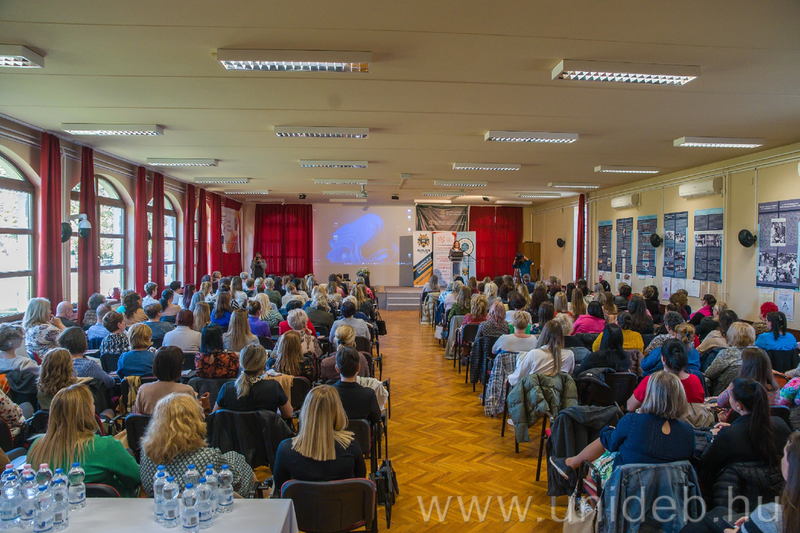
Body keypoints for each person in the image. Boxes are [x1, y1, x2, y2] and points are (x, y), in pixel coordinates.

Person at [551, 372, 695, 484]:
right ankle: (571, 464)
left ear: (650, 395)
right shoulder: (688, 432)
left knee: (595, 464)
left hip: (628, 488)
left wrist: (609, 430)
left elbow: (611, 443)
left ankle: (595, 508)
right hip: (669, 495)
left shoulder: (633, 421)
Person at [28, 384, 141, 496]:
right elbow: (136, 477)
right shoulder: (107, 446)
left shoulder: (36, 446)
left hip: (56, 506)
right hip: (111, 505)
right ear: (87, 412)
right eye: (92, 404)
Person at [140, 392, 255, 495]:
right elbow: (236, 484)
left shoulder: (146, 454)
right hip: (204, 504)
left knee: (232, 457)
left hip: (163, 505)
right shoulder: (208, 457)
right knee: (237, 459)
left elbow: (148, 488)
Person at [697, 378, 792, 489]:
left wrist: (717, 438)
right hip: (779, 489)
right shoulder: (780, 424)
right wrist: (733, 428)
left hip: (736, 491)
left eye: (730, 395)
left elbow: (705, 469)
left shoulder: (729, 436)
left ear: (738, 405)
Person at [272, 385, 367, 494]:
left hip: (301, 505)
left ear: (305, 412)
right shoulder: (351, 445)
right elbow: (360, 481)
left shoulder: (285, 449)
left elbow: (280, 486)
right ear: (338, 411)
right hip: (343, 504)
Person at [628, 339, 705, 411]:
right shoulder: (695, 381)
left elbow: (630, 407)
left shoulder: (650, 381)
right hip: (689, 421)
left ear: (663, 359)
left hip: (658, 421)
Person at [716, 347, 781, 421]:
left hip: (739, 423)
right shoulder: (775, 387)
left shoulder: (738, 386)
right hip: (767, 423)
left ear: (745, 366)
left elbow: (720, 402)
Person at [507, 321, 575, 387]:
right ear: (561, 336)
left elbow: (515, 379)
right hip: (559, 392)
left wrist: (508, 379)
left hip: (534, 393)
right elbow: (568, 375)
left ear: (543, 335)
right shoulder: (569, 355)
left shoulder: (534, 354)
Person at [134, 346, 197, 415]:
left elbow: (137, 416)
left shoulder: (143, 389)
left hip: (151, 422)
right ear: (178, 366)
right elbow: (196, 417)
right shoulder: (187, 391)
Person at [331, 347, 381, 425]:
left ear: (337, 369)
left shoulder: (329, 395)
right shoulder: (368, 394)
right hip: (361, 432)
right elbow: (376, 418)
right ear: (358, 368)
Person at [706, 321, 757, 396]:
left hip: (725, 393)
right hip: (753, 393)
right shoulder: (758, 353)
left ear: (731, 336)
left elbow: (710, 373)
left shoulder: (727, 353)